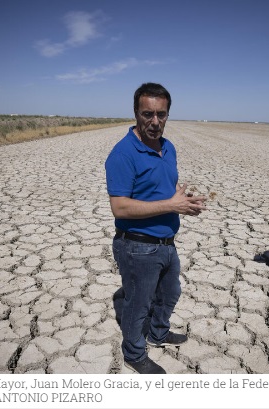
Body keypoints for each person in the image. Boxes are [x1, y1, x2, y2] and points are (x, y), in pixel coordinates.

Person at [105, 83, 207, 374]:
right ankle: (134, 354)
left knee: (170, 293)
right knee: (138, 306)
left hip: (166, 242)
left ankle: (158, 334)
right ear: (136, 113)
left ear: (167, 114)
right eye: (147, 114)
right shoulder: (123, 154)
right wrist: (171, 206)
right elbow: (120, 207)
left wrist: (184, 201)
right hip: (137, 246)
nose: (154, 121)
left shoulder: (168, 147)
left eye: (161, 114)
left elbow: (163, 188)